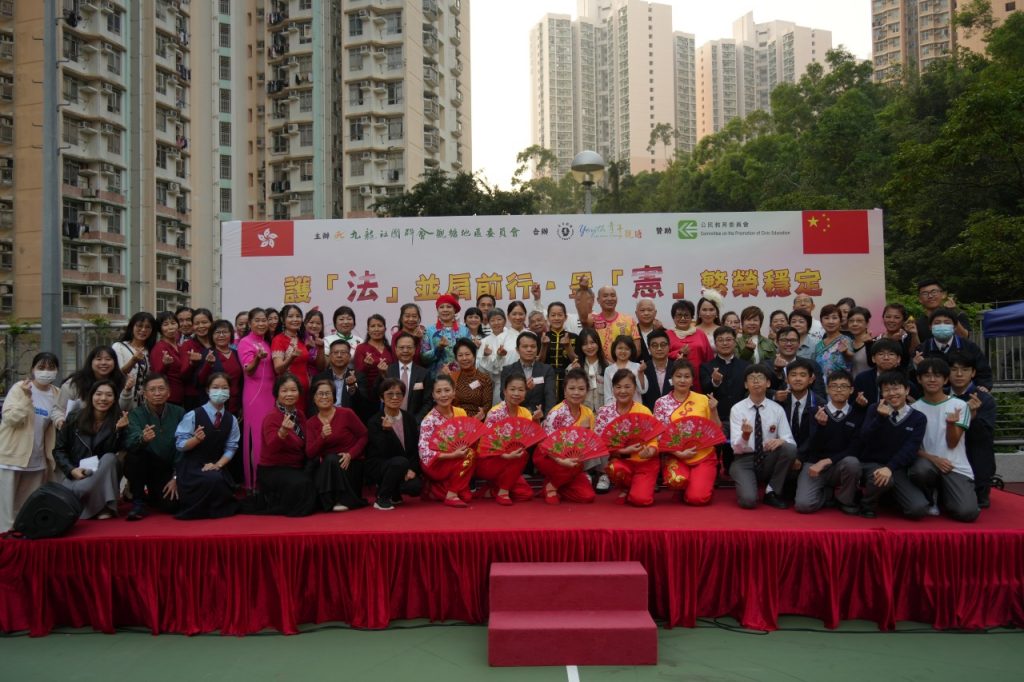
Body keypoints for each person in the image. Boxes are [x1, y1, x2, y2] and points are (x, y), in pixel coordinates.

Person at [906, 358, 979, 522]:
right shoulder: (913, 409)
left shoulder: (960, 406)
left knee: (967, 513)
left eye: (937, 376)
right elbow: (911, 447)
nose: (932, 380)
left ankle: (946, 497)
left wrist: (951, 424)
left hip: (954, 465)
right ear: (919, 379)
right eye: (927, 375)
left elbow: (952, 443)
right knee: (920, 470)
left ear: (945, 380)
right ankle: (931, 497)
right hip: (927, 464)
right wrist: (934, 459)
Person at [0, 353, 61, 531]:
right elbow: (11, 418)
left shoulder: (57, 393)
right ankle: (5, 538)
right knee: (6, 510)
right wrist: (27, 398)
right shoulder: (20, 388)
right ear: (32, 369)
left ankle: (23, 536)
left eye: (51, 368)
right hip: (13, 456)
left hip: (38, 459)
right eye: (41, 367)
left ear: (57, 371)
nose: (46, 372)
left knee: (27, 507)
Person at [855, 371, 927, 518]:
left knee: (918, 509)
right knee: (883, 480)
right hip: (871, 464)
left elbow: (911, 448)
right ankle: (866, 504)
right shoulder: (874, 409)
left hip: (897, 467)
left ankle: (890, 499)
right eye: (887, 390)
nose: (892, 393)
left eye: (896, 388)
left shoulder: (918, 417)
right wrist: (880, 419)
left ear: (907, 390)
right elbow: (864, 438)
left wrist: (890, 467)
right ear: (882, 393)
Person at [53, 379, 128, 520]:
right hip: (78, 472)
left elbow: (114, 450)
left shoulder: (119, 420)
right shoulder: (74, 417)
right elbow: (59, 450)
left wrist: (118, 431)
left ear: (114, 399)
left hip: (101, 473)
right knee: (79, 487)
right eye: (98, 394)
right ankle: (95, 505)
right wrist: (71, 470)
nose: (103, 399)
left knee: (110, 458)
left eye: (109, 395)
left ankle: (103, 506)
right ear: (91, 396)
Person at [793, 370, 863, 514]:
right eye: (834, 386)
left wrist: (827, 461)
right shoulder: (814, 411)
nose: (838, 389)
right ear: (827, 389)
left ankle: (844, 500)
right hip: (814, 464)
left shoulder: (858, 414)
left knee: (853, 463)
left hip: (840, 465)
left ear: (851, 390)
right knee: (803, 505)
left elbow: (855, 449)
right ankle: (827, 494)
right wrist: (820, 427)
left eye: (843, 386)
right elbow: (809, 445)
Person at [728, 365, 797, 509]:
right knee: (748, 501)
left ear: (768, 383)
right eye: (751, 378)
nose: (756, 381)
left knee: (789, 449)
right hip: (744, 459)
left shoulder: (777, 409)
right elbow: (736, 448)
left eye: (760, 378)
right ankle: (748, 485)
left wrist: (781, 440)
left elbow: (790, 441)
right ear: (746, 385)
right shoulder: (737, 409)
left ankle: (771, 491)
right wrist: (745, 435)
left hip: (768, 457)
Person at [173, 372, 240, 520]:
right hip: (192, 466)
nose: (220, 391)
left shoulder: (232, 420)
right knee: (212, 480)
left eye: (224, 388)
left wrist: (218, 465)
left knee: (217, 478)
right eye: (215, 387)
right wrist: (195, 440)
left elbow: (231, 447)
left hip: (216, 464)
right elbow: (180, 444)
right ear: (208, 390)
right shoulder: (193, 415)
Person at [654, 360, 720, 506]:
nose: (682, 380)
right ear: (672, 379)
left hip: (703, 454)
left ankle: (698, 485)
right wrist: (679, 453)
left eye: (687, 376)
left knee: (697, 498)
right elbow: (660, 437)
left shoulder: (703, 400)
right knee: (676, 480)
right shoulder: (661, 403)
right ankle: (685, 486)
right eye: (678, 376)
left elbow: (716, 431)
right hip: (675, 454)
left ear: (692, 380)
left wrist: (714, 410)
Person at [124, 373, 185, 521]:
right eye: (152, 390)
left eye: (161, 389)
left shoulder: (179, 412)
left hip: (168, 468)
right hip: (145, 465)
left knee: (171, 506)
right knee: (134, 455)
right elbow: (130, 442)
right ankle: (138, 501)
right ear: (145, 394)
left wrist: (176, 477)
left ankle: (153, 495)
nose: (157, 393)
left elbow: (184, 445)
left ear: (169, 392)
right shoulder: (136, 414)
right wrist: (143, 439)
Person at [596, 369, 660, 507]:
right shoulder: (604, 413)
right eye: (618, 387)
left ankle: (639, 486)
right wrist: (624, 451)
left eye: (627, 386)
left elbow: (654, 440)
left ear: (635, 388)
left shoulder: (644, 411)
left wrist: (650, 451)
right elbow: (602, 445)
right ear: (612, 389)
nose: (622, 391)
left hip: (644, 462)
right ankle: (626, 487)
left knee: (641, 500)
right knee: (614, 468)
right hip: (622, 461)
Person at [256, 373, 317, 517]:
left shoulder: (300, 415)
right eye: (284, 391)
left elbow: (307, 443)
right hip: (273, 469)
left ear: (299, 393)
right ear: (276, 394)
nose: (289, 394)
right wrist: (282, 432)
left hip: (296, 466)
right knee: (303, 484)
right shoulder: (272, 417)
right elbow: (271, 447)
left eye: (293, 390)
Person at [305, 378, 369, 512]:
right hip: (327, 467)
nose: (324, 397)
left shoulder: (346, 413)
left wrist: (350, 454)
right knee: (329, 459)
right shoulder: (310, 423)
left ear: (334, 396)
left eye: (328, 393)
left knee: (332, 459)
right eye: (320, 394)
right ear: (314, 398)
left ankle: (341, 499)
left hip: (350, 464)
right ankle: (330, 500)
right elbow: (310, 453)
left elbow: (364, 436)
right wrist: (322, 437)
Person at [538, 368, 597, 504]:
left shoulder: (588, 413)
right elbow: (546, 446)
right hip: (550, 457)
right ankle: (552, 486)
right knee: (568, 465)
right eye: (572, 388)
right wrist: (561, 461)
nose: (576, 392)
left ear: (587, 391)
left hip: (574, 462)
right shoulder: (556, 413)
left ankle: (557, 484)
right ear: (564, 391)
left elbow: (589, 444)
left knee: (587, 496)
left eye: (581, 389)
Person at [477, 373, 536, 505]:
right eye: (512, 389)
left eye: (521, 390)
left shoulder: (525, 413)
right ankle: (503, 491)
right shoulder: (495, 413)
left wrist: (536, 421)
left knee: (526, 494)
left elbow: (529, 439)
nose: (516, 393)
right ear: (504, 391)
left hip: (511, 461)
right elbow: (486, 444)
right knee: (521, 455)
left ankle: (493, 489)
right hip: (490, 460)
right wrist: (504, 455)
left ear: (525, 393)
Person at [418, 375, 476, 508]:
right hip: (436, 462)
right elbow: (424, 453)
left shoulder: (461, 412)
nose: (443, 395)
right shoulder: (429, 420)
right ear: (433, 395)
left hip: (456, 458)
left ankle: (437, 489)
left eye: (447, 390)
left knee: (466, 497)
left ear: (454, 392)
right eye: (438, 391)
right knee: (469, 454)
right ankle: (451, 494)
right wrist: (452, 455)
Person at [947, 352, 997, 508]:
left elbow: (984, 436)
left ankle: (980, 489)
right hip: (945, 454)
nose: (959, 374)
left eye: (965, 370)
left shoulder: (984, 399)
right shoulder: (939, 395)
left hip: (974, 456)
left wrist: (972, 417)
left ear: (973, 372)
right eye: (954, 369)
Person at [365, 378, 423, 510]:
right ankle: (382, 498)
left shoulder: (409, 418)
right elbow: (383, 451)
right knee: (399, 462)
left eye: (399, 394)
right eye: (390, 394)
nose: (395, 397)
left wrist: (412, 469)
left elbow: (415, 448)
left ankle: (395, 492)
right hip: (381, 465)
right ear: (382, 398)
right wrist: (388, 431)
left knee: (415, 487)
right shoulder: (375, 421)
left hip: (404, 464)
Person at [238, 307, 275, 490]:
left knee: (268, 439)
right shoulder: (245, 342)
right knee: (257, 441)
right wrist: (257, 359)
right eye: (257, 320)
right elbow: (248, 370)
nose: (261, 324)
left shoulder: (266, 342)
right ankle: (254, 485)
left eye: (264, 320)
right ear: (250, 323)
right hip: (254, 396)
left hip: (270, 394)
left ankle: (267, 482)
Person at [911, 308, 993, 390]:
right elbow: (911, 379)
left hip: (964, 393)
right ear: (930, 327)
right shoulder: (922, 349)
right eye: (937, 323)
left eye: (947, 323)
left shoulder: (969, 347)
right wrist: (917, 366)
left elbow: (983, 371)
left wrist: (983, 387)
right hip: (931, 394)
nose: (942, 326)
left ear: (954, 327)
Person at [773, 358, 824, 488]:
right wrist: (791, 456)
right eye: (793, 375)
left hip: (809, 457)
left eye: (802, 375)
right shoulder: (779, 402)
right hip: (783, 454)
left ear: (811, 379)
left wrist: (799, 457)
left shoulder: (820, 404)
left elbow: (815, 437)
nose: (798, 379)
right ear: (787, 379)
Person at [574, 275, 639, 361]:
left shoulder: (629, 320)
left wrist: (622, 365)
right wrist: (583, 290)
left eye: (612, 295)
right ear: (598, 300)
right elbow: (583, 318)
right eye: (605, 296)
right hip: (601, 367)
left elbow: (637, 349)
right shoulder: (593, 319)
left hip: (623, 366)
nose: (609, 298)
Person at [56, 345, 132, 419]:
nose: (103, 362)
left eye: (108, 359)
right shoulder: (75, 383)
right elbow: (58, 410)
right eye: (99, 359)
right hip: (80, 425)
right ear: (91, 362)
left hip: (113, 425)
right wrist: (61, 422)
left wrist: (127, 392)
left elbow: (123, 410)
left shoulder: (122, 381)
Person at [501, 331, 556, 416]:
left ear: (537, 349)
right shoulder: (508, 370)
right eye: (525, 346)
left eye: (533, 346)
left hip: (540, 417)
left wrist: (547, 419)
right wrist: (525, 389)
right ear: (517, 350)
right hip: (516, 417)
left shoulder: (547, 370)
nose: (529, 349)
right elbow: (503, 396)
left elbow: (550, 397)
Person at [195, 320, 243, 416]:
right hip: (215, 404)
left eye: (225, 332)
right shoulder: (207, 353)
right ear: (212, 336)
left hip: (235, 404)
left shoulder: (236, 353)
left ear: (231, 334)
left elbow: (241, 382)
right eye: (217, 332)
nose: (221, 335)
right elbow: (199, 381)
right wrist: (208, 364)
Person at [310, 339, 369, 417]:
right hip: (325, 418)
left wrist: (353, 387)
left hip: (349, 418)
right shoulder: (319, 378)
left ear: (349, 357)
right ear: (330, 356)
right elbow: (312, 405)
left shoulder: (358, 376)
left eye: (343, 352)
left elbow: (364, 405)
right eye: (335, 352)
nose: (339, 355)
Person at [385, 332, 434, 422]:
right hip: (391, 420)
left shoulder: (424, 373)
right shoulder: (388, 371)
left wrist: (415, 421)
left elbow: (428, 401)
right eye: (401, 347)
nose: (405, 351)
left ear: (415, 349)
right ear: (395, 349)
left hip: (416, 422)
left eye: (409, 347)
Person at [666, 300, 713, 392]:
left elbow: (709, 358)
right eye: (679, 315)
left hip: (699, 379)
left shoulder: (700, 334)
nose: (683, 318)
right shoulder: (667, 335)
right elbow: (661, 356)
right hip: (676, 381)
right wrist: (679, 352)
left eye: (686, 315)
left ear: (692, 317)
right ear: (673, 317)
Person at [113, 311, 157, 407]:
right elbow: (118, 374)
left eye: (148, 327)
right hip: (122, 398)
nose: (143, 330)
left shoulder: (152, 350)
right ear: (132, 327)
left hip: (144, 403)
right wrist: (133, 360)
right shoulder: (119, 347)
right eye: (139, 326)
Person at [421, 294, 470, 378]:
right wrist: (438, 348)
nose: (445, 310)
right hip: (436, 378)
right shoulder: (429, 331)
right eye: (441, 307)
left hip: (461, 377)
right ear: (437, 310)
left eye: (449, 307)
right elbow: (424, 358)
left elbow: (470, 355)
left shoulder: (465, 331)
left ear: (454, 310)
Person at [767, 326, 825, 397]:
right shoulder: (766, 366)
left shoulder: (812, 365)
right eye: (784, 340)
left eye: (793, 340)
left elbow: (820, 393)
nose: (788, 344)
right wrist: (774, 395)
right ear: (777, 343)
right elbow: (762, 390)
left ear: (799, 343)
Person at [271, 304, 314, 399]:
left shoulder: (301, 339)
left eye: (298, 316)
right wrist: (291, 358)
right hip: (289, 392)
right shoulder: (278, 340)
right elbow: (278, 369)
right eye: (290, 316)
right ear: (283, 319)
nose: (295, 319)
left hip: (305, 390)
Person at [477, 308, 518, 405]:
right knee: (498, 410)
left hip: (516, 381)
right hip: (496, 383)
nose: (496, 323)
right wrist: (486, 356)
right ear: (488, 323)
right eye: (492, 320)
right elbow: (480, 368)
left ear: (505, 320)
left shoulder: (515, 336)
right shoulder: (484, 342)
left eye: (499, 319)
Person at [150, 311, 190, 406]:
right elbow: (156, 376)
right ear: (160, 328)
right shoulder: (160, 348)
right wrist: (165, 365)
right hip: (167, 398)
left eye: (173, 323)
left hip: (181, 395)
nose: (170, 327)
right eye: (166, 324)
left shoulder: (180, 347)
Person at [539, 302, 577, 400]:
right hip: (546, 381)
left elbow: (577, 363)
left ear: (565, 317)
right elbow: (538, 364)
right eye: (553, 315)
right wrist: (543, 346)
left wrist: (568, 346)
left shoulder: (574, 337)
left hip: (569, 381)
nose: (556, 318)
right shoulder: (541, 337)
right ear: (547, 318)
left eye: (560, 315)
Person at [450, 337, 493, 420]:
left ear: (474, 356)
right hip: (455, 420)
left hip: (477, 420)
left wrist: (483, 412)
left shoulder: (484, 378)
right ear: (456, 358)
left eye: (467, 354)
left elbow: (487, 404)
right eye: (460, 355)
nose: (464, 358)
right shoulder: (452, 377)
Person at [853, 338, 906, 405]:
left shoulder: (904, 379)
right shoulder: (862, 379)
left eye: (891, 354)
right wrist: (860, 405)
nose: (886, 358)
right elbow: (852, 404)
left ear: (898, 359)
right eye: (881, 354)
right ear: (873, 358)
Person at [180, 307, 215, 409]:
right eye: (197, 323)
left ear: (212, 323)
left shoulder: (217, 343)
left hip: (217, 393)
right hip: (194, 397)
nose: (201, 326)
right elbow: (183, 375)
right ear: (193, 326)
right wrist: (192, 363)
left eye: (204, 322)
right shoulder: (188, 345)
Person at [354, 313, 395, 398]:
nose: (376, 329)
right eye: (372, 326)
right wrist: (366, 366)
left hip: (389, 391)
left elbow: (396, 371)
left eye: (379, 326)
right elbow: (358, 374)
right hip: (367, 394)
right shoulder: (361, 348)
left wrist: (386, 372)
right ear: (368, 330)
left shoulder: (390, 349)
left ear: (385, 329)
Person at [603, 334, 647, 406]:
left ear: (631, 351)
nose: (623, 351)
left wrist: (641, 373)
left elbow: (643, 390)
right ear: (614, 350)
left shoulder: (637, 366)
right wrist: (611, 411)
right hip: (616, 409)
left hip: (635, 408)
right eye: (620, 348)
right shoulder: (608, 370)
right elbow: (608, 396)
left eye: (627, 349)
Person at [876, 303, 919, 369]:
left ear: (903, 320)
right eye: (888, 317)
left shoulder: (910, 337)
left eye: (897, 317)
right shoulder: (876, 340)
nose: (891, 320)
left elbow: (914, 354)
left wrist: (914, 335)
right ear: (883, 318)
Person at [814, 304, 853, 374]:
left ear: (840, 321)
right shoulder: (818, 345)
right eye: (826, 318)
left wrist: (846, 352)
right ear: (821, 322)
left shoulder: (846, 340)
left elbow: (853, 359)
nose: (830, 321)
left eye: (834, 318)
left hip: (841, 380)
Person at [641, 329, 674, 411]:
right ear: (649, 349)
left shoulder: (677, 368)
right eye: (655, 345)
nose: (659, 348)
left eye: (663, 345)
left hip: (674, 414)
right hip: (649, 414)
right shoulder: (642, 369)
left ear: (669, 346)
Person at [845, 306, 874, 376]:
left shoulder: (873, 344)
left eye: (859, 321)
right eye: (851, 321)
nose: (854, 324)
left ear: (867, 324)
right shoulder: (846, 344)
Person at [301, 308, 329, 380]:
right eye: (311, 322)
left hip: (316, 380)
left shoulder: (325, 341)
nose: (314, 326)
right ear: (305, 323)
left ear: (322, 326)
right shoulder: (298, 338)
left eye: (318, 323)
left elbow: (321, 368)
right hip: (300, 378)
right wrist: (306, 348)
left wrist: (321, 349)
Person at [634, 298, 659, 364]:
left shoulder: (663, 332)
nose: (646, 313)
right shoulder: (631, 333)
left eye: (649, 310)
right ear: (636, 313)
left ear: (655, 313)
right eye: (642, 310)